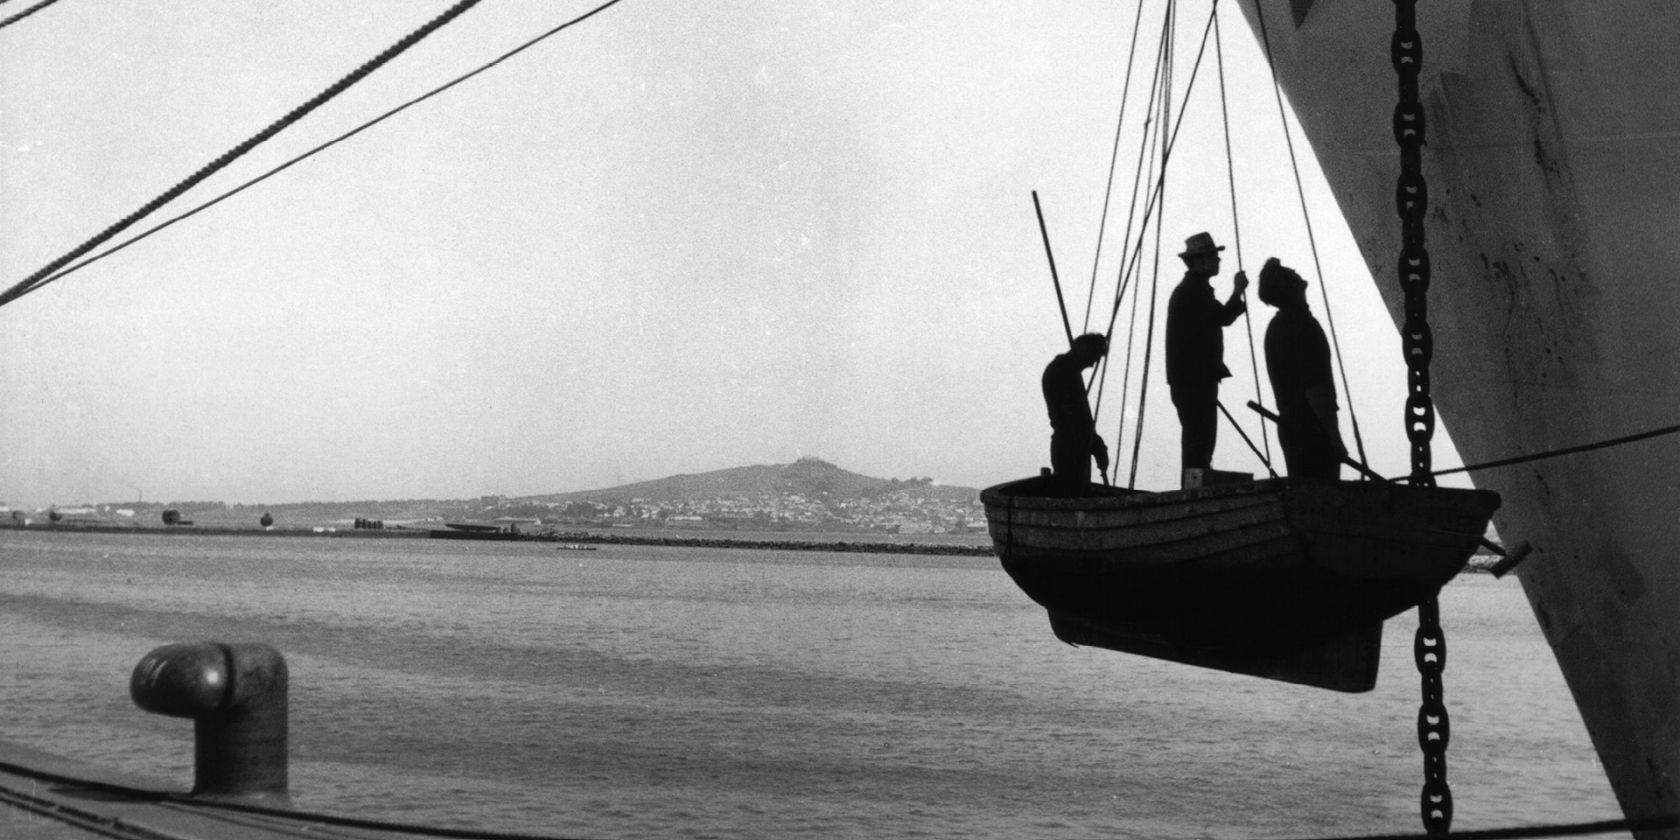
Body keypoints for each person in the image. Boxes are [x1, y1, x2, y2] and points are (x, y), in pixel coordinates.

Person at [1165, 232, 1248, 481]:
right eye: (1214, 256)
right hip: (1196, 381)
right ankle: (1193, 491)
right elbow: (1222, 317)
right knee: (1199, 440)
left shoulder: (1191, 290)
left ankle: (1193, 487)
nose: (1218, 261)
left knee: (1197, 439)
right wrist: (1238, 291)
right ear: (1201, 261)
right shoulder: (1195, 291)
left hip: (1189, 380)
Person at [1258, 258, 1347, 479]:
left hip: (1291, 427)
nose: (1297, 272)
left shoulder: (1275, 327)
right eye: (1291, 273)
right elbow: (1316, 390)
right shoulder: (1304, 325)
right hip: (1313, 432)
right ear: (1292, 286)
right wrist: (1334, 438)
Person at [1042, 333, 1111, 495]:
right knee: (1072, 493)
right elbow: (1075, 420)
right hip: (1070, 449)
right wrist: (1098, 447)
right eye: (1093, 358)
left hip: (1075, 447)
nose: (1092, 365)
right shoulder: (1063, 372)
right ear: (1084, 350)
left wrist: (1097, 446)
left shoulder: (1066, 370)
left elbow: (1081, 419)